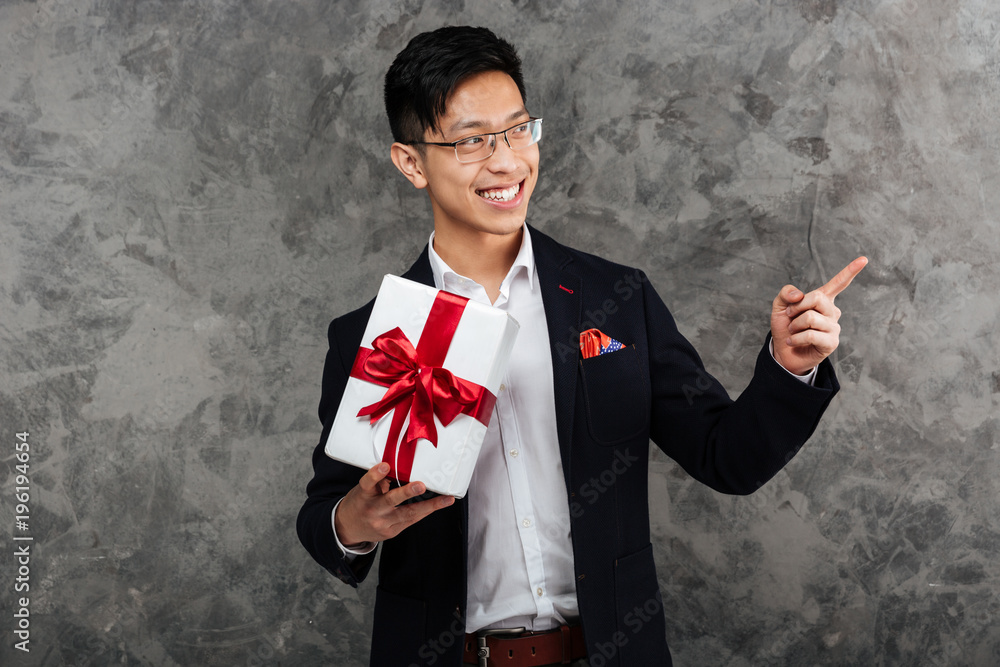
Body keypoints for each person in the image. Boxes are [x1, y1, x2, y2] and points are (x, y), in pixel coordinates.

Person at [296, 25, 866, 667]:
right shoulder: (374, 334)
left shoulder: (616, 297)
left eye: (516, 130)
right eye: (472, 141)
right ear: (411, 163)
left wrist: (788, 369)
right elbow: (323, 518)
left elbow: (725, 457)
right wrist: (355, 525)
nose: (507, 161)